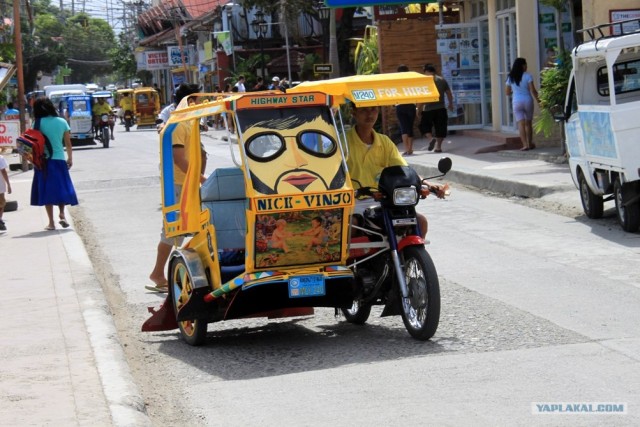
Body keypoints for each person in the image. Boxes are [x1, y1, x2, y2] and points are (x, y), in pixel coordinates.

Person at [346, 104, 445, 238]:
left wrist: (427, 184)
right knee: (349, 226)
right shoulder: (342, 142)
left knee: (420, 222)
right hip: (354, 203)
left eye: (373, 109)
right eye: (364, 110)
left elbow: (404, 170)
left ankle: (410, 258)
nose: (369, 114)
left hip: (384, 202)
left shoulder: (385, 142)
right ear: (354, 112)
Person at [148, 83, 206, 293]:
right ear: (190, 101)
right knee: (173, 231)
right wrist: (201, 179)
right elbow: (179, 159)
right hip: (179, 184)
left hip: (186, 182)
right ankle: (158, 273)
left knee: (193, 226)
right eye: (198, 99)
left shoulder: (188, 121)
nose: (201, 103)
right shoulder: (179, 124)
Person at [30, 97, 78, 231]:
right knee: (61, 187)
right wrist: (70, 158)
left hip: (43, 161)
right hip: (59, 159)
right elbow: (68, 143)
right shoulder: (62, 121)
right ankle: (62, 213)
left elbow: (32, 143)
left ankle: (51, 223)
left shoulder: (37, 123)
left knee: (47, 190)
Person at [505, 57, 540, 151]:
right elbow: (533, 90)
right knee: (528, 123)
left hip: (516, 101)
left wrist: (515, 91)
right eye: (525, 64)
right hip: (527, 100)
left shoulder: (510, 77)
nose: (526, 66)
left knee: (521, 124)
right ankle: (530, 143)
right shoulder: (528, 76)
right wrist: (539, 101)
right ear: (522, 66)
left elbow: (507, 92)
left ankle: (524, 145)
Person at [418, 63, 454, 153]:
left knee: (424, 126)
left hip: (428, 109)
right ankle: (438, 147)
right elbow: (449, 93)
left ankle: (430, 139)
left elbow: (421, 97)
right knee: (441, 127)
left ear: (426, 72)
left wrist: (419, 109)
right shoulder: (442, 80)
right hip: (441, 108)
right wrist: (450, 104)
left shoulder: (424, 82)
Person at [395, 65, 417, 155]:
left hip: (400, 105)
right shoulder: (411, 80)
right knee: (410, 127)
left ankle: (406, 149)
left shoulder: (396, 82)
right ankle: (410, 149)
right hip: (411, 105)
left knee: (403, 127)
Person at [0, 153, 11, 232]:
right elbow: (4, 171)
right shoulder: (0, 158)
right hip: (0, 187)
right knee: (2, 203)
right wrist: (8, 184)